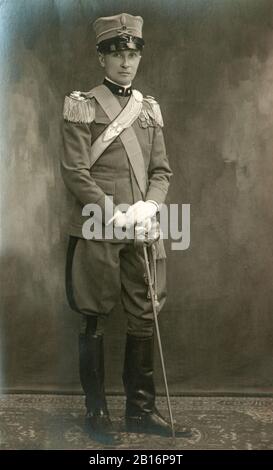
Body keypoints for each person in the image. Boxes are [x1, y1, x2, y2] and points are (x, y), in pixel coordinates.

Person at [61, 13, 190, 445]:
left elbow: (162, 171)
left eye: (132, 54)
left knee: (143, 315)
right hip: (100, 224)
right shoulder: (83, 105)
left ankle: (141, 410)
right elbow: (76, 172)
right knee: (94, 314)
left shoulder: (149, 111)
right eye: (117, 53)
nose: (125, 62)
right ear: (102, 57)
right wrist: (113, 211)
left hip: (143, 227)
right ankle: (96, 413)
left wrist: (151, 206)